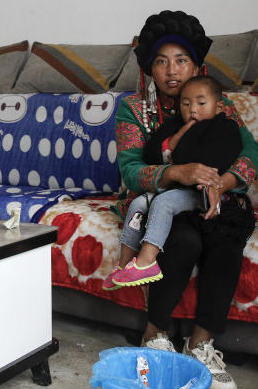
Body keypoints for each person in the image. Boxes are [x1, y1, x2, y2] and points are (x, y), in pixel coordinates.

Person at [114, 10, 258, 389]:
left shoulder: (215, 101)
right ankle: (155, 333)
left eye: (181, 60)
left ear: (198, 65)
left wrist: (222, 183)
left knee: (226, 239)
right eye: (161, 61)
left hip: (212, 198)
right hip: (165, 199)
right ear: (149, 68)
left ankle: (202, 345)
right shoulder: (133, 108)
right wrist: (177, 172)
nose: (171, 70)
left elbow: (251, 152)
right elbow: (131, 170)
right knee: (183, 240)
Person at [103, 74, 242, 289]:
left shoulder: (225, 128)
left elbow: (215, 160)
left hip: (200, 193)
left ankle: (147, 261)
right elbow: (151, 155)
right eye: (186, 104)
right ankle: (123, 266)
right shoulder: (176, 125)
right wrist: (177, 137)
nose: (193, 109)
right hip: (175, 188)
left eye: (201, 103)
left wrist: (182, 157)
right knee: (139, 204)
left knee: (163, 202)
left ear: (219, 107)